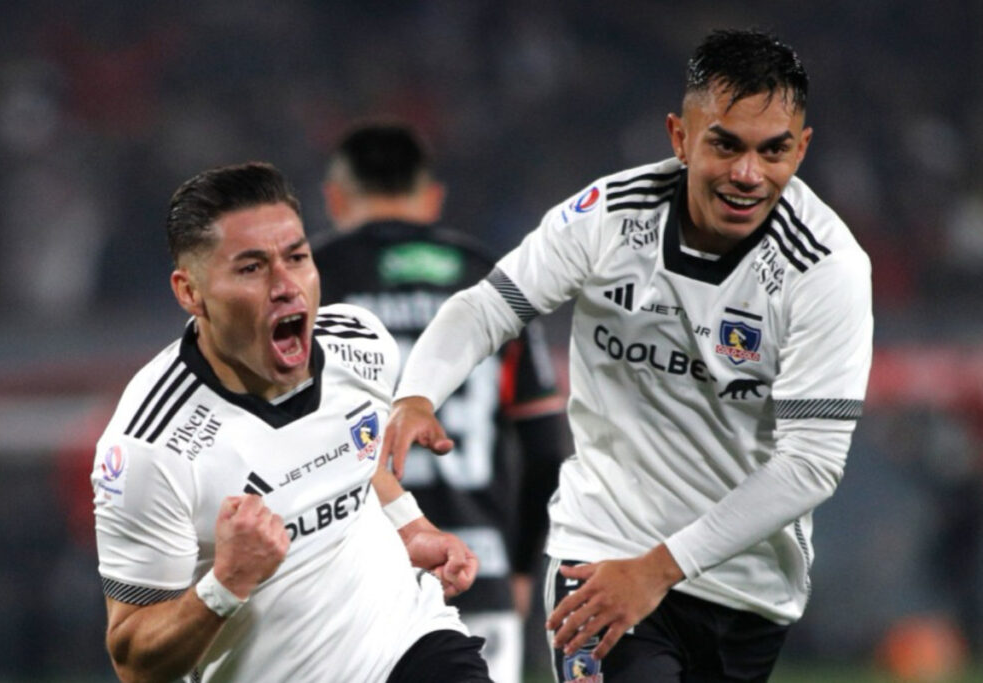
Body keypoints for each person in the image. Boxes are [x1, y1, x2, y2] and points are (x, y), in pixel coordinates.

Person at [384, 29, 873, 683]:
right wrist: (418, 393)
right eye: (725, 143)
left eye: (773, 150)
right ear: (680, 136)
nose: (748, 174)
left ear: (802, 148)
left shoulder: (825, 268)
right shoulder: (609, 217)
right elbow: (487, 307)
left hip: (745, 590)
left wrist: (660, 568)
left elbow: (811, 465)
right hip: (603, 555)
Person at [90, 161, 493, 682]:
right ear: (190, 293)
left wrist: (409, 526)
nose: (286, 286)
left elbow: (356, 452)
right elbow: (134, 662)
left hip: (409, 645)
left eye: (297, 257)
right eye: (252, 268)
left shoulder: (361, 345)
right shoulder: (151, 448)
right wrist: (227, 580)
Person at [315, 121, 570, 683]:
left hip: (352, 576)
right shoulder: (487, 282)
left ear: (335, 197)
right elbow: (547, 448)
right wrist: (522, 571)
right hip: (479, 569)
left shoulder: (309, 280)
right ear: (431, 198)